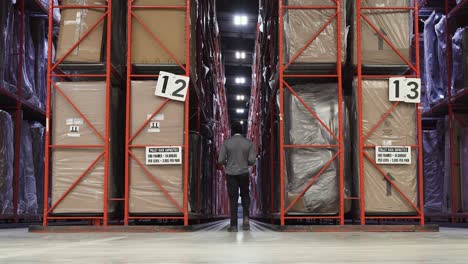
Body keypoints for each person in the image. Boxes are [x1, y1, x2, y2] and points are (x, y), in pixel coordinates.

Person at [218, 122, 256, 232]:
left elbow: (220, 160)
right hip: (244, 172)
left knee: (233, 199)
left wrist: (228, 163)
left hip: (231, 174)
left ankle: (233, 225)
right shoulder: (248, 143)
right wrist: (245, 163)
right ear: (242, 130)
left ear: (232, 131)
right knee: (245, 196)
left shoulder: (226, 143)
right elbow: (252, 160)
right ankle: (246, 219)